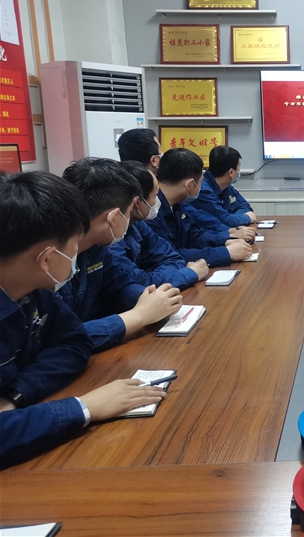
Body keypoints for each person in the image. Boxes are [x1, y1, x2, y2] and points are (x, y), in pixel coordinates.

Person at [0, 171, 167, 468]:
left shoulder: (36, 289)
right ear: (47, 259)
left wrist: (15, 396)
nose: (79, 251)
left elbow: (73, 343)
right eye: (75, 243)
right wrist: (84, 407)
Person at [60, 158, 183, 352]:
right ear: (114, 217)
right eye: (128, 212)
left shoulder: (96, 248)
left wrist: (149, 298)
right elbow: (58, 338)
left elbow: (120, 284)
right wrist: (139, 315)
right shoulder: (52, 262)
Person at [118, 130, 256, 242]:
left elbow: (195, 224)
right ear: (154, 161)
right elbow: (167, 254)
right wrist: (226, 242)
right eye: (161, 153)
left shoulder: (173, 201)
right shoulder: (148, 209)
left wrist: (227, 233)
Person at [110, 161, 209, 289]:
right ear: (137, 202)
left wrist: (161, 277)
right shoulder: (109, 239)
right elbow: (137, 282)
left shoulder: (137, 224)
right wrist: (188, 274)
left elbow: (172, 257)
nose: (158, 201)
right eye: (156, 195)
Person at [149, 148, 252, 267]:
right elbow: (170, 255)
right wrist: (225, 253)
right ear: (190, 185)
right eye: (201, 182)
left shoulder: (176, 204)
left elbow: (194, 236)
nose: (202, 187)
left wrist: (225, 240)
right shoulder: (151, 212)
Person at [189, 146, 257, 228]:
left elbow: (245, 206)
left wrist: (232, 218)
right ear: (231, 172)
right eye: (238, 168)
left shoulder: (226, 186)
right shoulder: (203, 190)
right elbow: (226, 222)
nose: (239, 171)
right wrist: (247, 217)